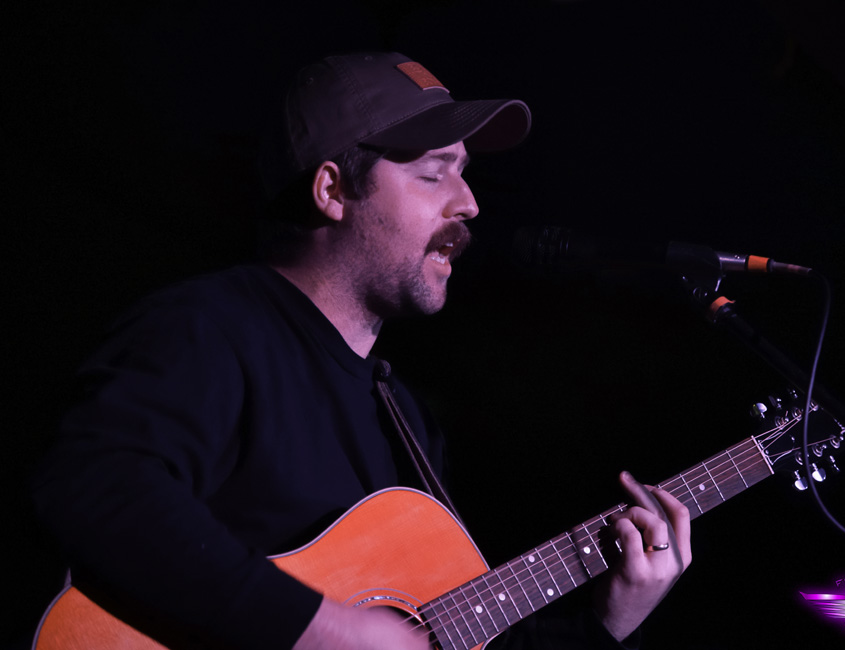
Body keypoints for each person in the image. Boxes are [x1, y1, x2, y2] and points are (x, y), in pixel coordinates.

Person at [32, 51, 691, 650]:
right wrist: (323, 630)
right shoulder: (212, 327)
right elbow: (95, 486)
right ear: (333, 190)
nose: (469, 205)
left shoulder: (401, 418)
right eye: (435, 175)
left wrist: (609, 622)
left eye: (464, 175)